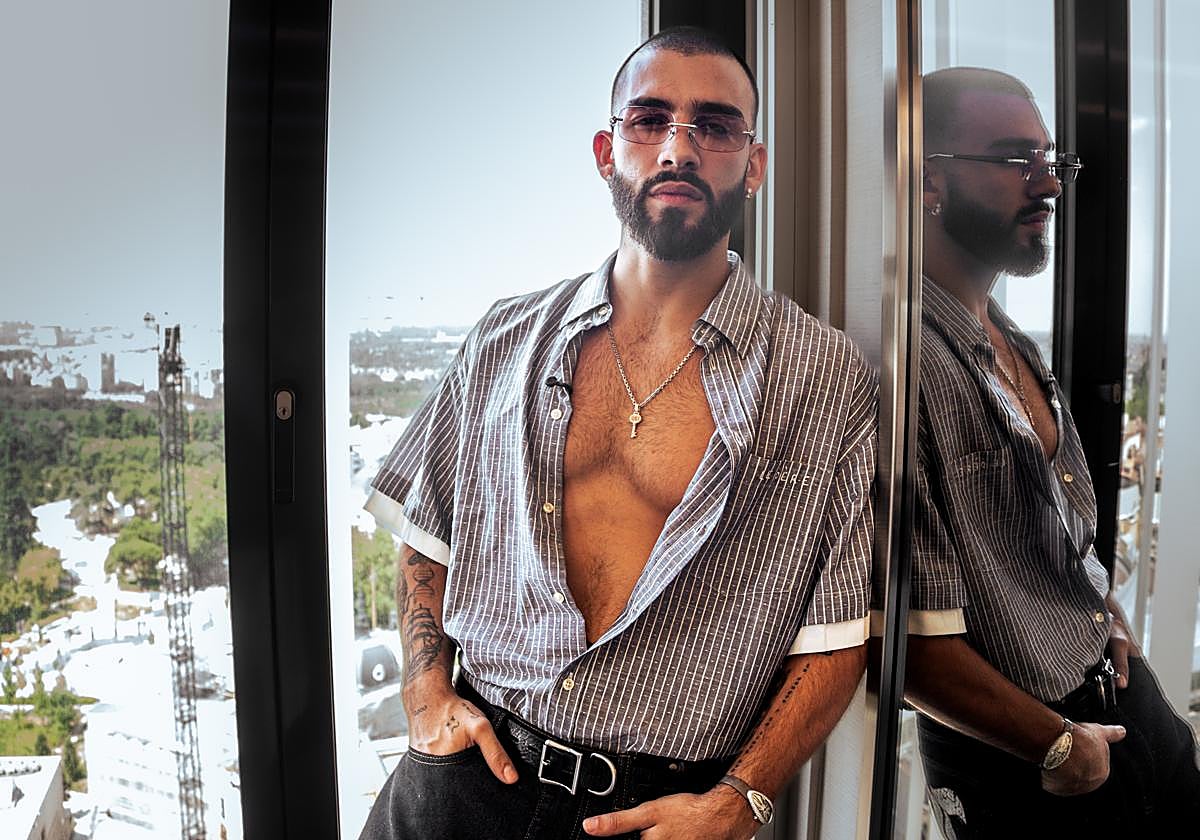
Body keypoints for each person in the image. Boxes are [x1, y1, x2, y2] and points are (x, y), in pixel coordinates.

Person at [359, 26, 878, 840]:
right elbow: (426, 535)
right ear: (608, 152)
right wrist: (424, 694)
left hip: (657, 814)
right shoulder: (504, 338)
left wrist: (742, 799)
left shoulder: (824, 377)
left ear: (754, 165)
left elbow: (837, 634)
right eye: (650, 119)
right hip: (463, 781)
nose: (679, 148)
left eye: (714, 126)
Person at [906, 66, 1200, 838]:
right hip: (1028, 758)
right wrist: (1057, 745)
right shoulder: (898, 364)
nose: (1048, 185)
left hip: (1119, 705)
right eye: (1015, 160)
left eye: (1052, 161)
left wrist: (1103, 611)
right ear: (928, 178)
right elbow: (898, 631)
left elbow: (1046, 532)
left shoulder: (1006, 335)